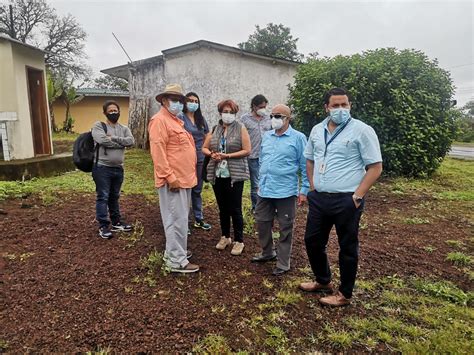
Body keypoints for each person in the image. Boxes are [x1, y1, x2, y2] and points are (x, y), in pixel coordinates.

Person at [300, 87, 383, 306]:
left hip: (347, 199)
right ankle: (323, 279)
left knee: (347, 247)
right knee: (312, 241)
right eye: (335, 105)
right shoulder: (317, 130)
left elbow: (375, 167)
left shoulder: (362, 130)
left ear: (350, 106)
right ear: (326, 107)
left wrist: (357, 196)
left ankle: (344, 294)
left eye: (344, 104)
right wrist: (312, 186)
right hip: (319, 198)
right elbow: (309, 159)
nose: (340, 109)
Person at [251, 104, 310, 276]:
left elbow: (304, 164)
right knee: (262, 222)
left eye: (279, 116)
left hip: (285, 191)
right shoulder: (267, 136)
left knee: (285, 227)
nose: (274, 119)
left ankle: (283, 263)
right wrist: (260, 181)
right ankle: (267, 252)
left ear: (288, 118)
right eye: (272, 116)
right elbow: (262, 159)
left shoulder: (298, 138)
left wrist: (304, 189)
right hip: (265, 189)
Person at [148, 84, 199, 273]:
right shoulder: (159, 120)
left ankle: (175, 252)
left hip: (184, 178)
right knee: (175, 218)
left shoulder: (175, 120)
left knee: (180, 218)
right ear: (164, 100)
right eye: (174, 100)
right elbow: (158, 152)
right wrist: (170, 177)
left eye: (179, 100)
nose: (178, 103)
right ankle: (176, 261)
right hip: (173, 180)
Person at [202, 99, 251, 256]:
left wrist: (227, 155)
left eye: (231, 112)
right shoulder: (215, 129)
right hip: (218, 174)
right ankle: (225, 237)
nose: (227, 114)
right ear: (220, 112)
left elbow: (247, 150)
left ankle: (239, 240)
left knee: (235, 208)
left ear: (235, 113)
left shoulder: (240, 128)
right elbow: (204, 147)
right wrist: (213, 154)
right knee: (222, 208)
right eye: (225, 111)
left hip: (234, 175)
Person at [91, 100, 135, 239]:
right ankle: (103, 226)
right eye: (110, 111)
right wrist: (120, 143)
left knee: (114, 196)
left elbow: (131, 141)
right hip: (102, 168)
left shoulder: (123, 128)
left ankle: (116, 222)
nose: (113, 113)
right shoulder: (99, 126)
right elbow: (103, 140)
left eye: (115, 110)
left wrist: (114, 138)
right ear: (105, 113)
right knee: (103, 196)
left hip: (118, 168)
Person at [179, 92, 212, 232]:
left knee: (197, 190)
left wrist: (206, 149)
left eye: (196, 101)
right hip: (185, 159)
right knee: (186, 190)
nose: (193, 103)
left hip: (200, 158)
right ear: (185, 103)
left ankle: (198, 218)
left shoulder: (200, 118)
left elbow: (207, 135)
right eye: (190, 100)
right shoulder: (180, 117)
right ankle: (184, 222)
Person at [240, 95, 272, 211]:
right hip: (253, 156)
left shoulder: (268, 118)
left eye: (264, 106)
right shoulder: (245, 119)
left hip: (267, 156)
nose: (263, 109)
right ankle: (256, 208)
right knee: (256, 183)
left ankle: (268, 206)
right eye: (260, 107)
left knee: (268, 181)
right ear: (254, 106)